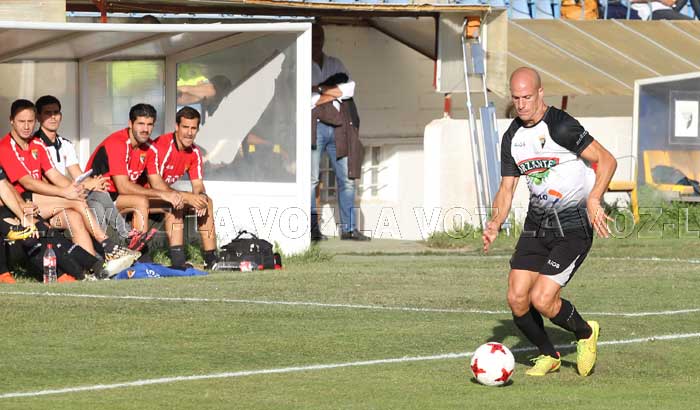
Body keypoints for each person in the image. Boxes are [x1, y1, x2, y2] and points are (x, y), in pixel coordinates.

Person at [482, 67, 617, 377]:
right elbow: (507, 188)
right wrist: (495, 223)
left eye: (527, 97)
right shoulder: (512, 137)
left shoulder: (561, 126)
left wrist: (594, 198)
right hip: (537, 225)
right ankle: (549, 354)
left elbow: (606, 160)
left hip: (573, 226)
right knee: (517, 298)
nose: (521, 104)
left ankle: (585, 333)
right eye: (516, 98)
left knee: (542, 299)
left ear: (540, 93)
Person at [0, 99, 137, 265]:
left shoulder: (37, 144)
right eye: (22, 121)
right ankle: (108, 245)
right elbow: (28, 183)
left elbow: (54, 175)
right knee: (77, 201)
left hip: (43, 203)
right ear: (11, 120)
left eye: (30, 121)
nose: (27, 126)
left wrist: (75, 189)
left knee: (75, 217)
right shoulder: (5, 147)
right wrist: (66, 192)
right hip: (21, 205)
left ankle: (94, 266)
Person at [86, 103, 184, 258]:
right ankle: (140, 255)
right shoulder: (118, 142)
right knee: (140, 201)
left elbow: (156, 181)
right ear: (130, 124)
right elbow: (123, 187)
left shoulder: (150, 147)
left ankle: (178, 260)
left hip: (118, 196)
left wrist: (174, 195)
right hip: (96, 195)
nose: (145, 129)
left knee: (173, 203)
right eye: (141, 124)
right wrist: (162, 194)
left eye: (150, 124)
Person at [34, 95, 135, 244]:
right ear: (38, 117)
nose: (53, 117)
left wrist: (94, 183)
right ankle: (122, 236)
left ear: (61, 115)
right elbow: (47, 180)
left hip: (69, 192)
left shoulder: (65, 144)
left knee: (99, 196)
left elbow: (77, 173)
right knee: (95, 200)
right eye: (47, 113)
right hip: (50, 198)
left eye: (56, 112)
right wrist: (86, 185)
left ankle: (111, 244)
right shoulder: (34, 144)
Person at [310, 23, 369, 241]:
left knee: (347, 179)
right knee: (311, 180)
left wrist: (319, 90)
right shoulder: (302, 63)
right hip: (315, 126)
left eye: (319, 38)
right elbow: (305, 99)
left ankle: (349, 229)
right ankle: (312, 229)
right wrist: (332, 91)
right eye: (314, 38)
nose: (317, 42)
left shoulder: (335, 63)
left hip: (339, 127)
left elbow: (349, 89)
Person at [148, 106, 220, 269]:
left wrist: (200, 197)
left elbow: (198, 184)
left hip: (164, 196)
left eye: (193, 128)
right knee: (177, 202)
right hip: (146, 195)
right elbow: (156, 185)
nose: (189, 133)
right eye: (185, 127)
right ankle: (178, 261)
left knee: (207, 201)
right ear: (177, 127)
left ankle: (211, 259)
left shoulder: (195, 152)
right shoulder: (162, 145)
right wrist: (188, 197)